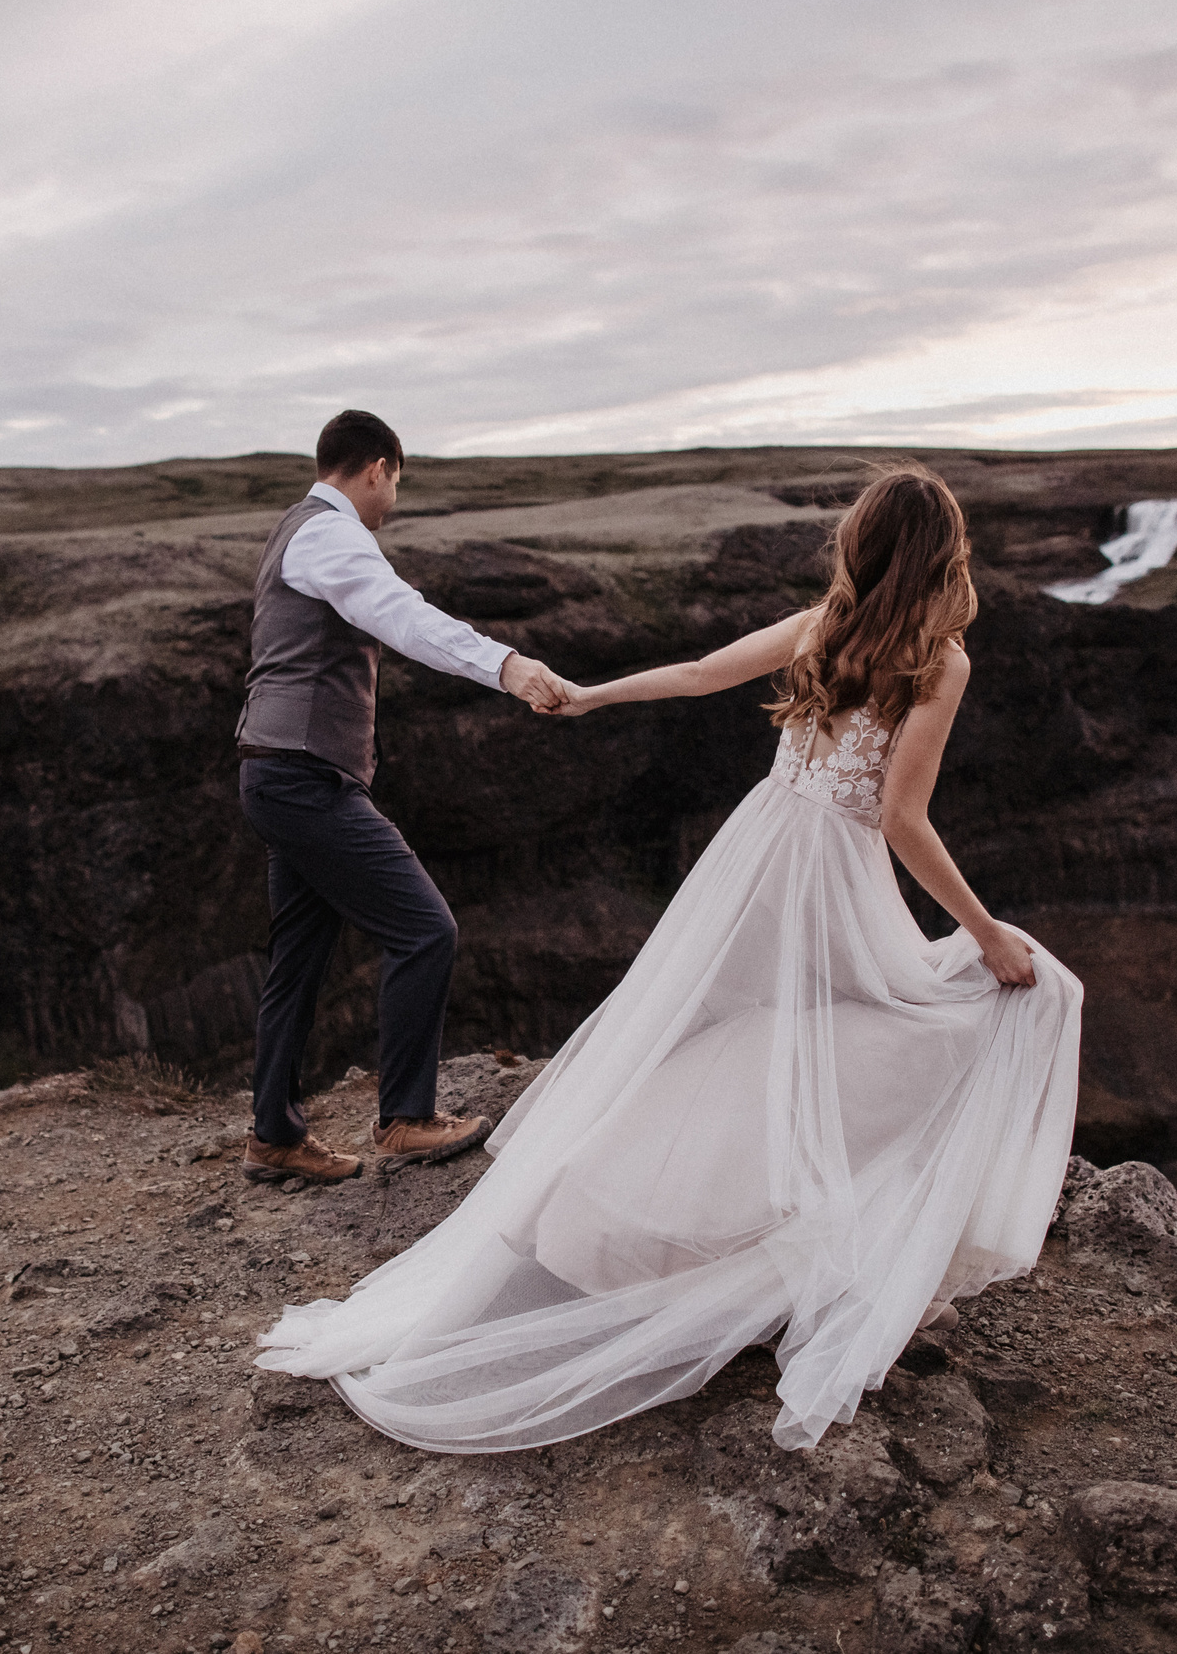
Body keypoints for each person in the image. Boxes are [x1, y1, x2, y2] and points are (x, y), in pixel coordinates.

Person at [255, 463, 1084, 1452]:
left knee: (763, 1037)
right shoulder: (938, 660)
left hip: (762, 853)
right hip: (831, 871)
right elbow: (901, 819)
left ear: (863, 547)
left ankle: (732, 1232)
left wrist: (595, 695)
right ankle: (799, 1252)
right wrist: (988, 936)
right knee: (999, 1003)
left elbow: (698, 673)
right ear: (942, 556)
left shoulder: (825, 625)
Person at [235, 409, 573, 1185]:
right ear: (378, 466)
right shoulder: (330, 534)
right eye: (397, 481)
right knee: (425, 929)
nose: (394, 499)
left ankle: (273, 1136)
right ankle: (406, 1118)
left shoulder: (292, 529)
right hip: (302, 776)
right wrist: (506, 666)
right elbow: (400, 615)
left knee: (298, 957)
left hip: (274, 770)